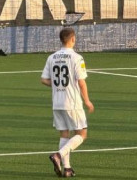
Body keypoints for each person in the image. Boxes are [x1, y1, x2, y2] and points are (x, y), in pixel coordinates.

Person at [41, 27, 94, 179]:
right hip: (72, 102)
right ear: (73, 39)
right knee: (82, 134)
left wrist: (58, 85)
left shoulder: (52, 57)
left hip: (57, 102)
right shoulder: (77, 58)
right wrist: (87, 101)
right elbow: (81, 82)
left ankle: (67, 169)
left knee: (64, 134)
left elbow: (44, 80)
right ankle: (58, 155)